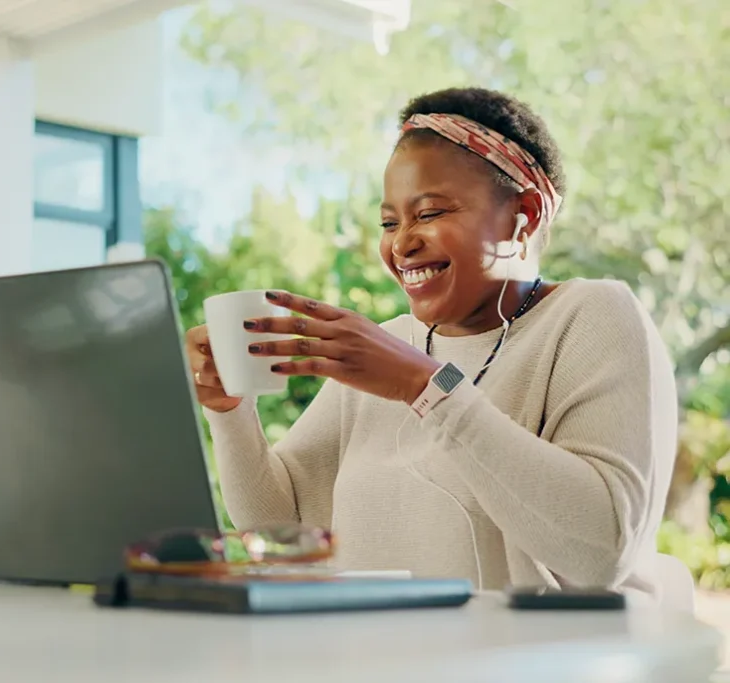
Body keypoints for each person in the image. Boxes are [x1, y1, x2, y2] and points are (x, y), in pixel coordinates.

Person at [185, 86, 677, 596]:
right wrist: (231, 411)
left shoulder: (591, 317)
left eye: (430, 213)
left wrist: (425, 386)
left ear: (522, 216)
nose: (401, 243)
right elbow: (281, 534)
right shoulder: (391, 345)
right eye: (389, 222)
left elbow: (604, 552)